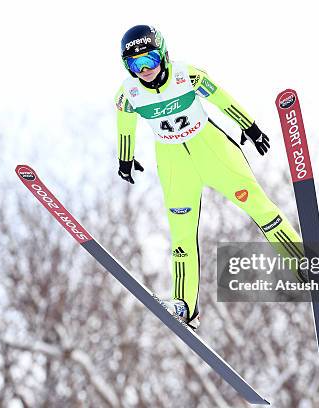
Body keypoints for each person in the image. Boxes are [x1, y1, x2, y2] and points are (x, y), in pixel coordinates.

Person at [115, 25, 306, 329]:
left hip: (214, 153)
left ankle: (302, 262)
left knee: (260, 208)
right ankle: (184, 306)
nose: (145, 70)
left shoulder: (186, 75)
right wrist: (125, 159)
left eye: (149, 59)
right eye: (135, 65)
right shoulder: (129, 94)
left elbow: (221, 99)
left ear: (163, 53)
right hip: (175, 166)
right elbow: (124, 125)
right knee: (181, 237)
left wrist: (250, 127)